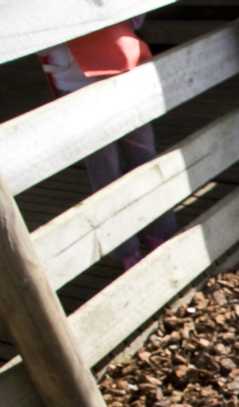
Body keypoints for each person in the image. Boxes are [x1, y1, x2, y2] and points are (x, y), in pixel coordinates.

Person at [36, 17, 177, 271]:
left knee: (141, 158)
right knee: (106, 172)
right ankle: (127, 247)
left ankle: (158, 231)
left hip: (120, 73)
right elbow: (36, 35)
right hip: (78, 85)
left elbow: (134, 17)